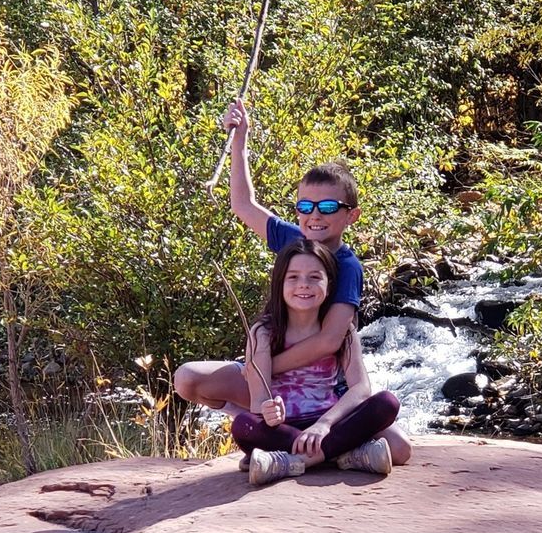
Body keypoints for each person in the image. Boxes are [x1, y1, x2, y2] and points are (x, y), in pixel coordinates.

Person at [174, 98, 412, 464]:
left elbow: (330, 340)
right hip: (273, 385)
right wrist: (240, 141)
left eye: (328, 207)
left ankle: (291, 452)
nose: (315, 215)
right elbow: (243, 205)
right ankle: (294, 441)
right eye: (305, 207)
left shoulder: (346, 266)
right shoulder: (292, 241)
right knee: (188, 378)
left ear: (352, 216)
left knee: (399, 447)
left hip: (322, 387)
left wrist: (263, 364)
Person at [232, 238, 401, 487]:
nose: (304, 285)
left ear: (329, 284)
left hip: (330, 421)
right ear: (279, 283)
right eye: (293, 277)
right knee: (243, 425)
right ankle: (343, 454)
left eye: (314, 277)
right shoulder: (264, 332)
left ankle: (292, 462)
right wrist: (269, 412)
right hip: (285, 427)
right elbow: (258, 402)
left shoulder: (342, 330)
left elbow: (361, 388)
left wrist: (323, 424)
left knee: (387, 403)